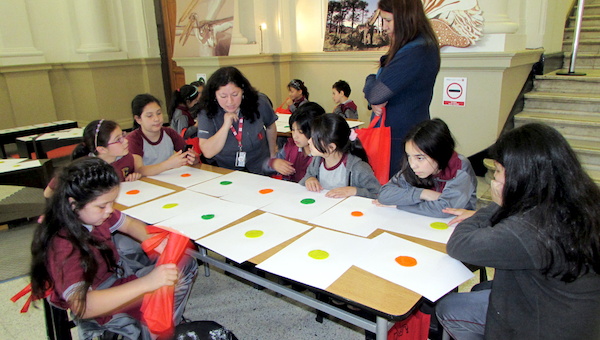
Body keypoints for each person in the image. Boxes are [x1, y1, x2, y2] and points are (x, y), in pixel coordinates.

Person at [435, 123, 600, 339]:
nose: (495, 179)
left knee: (449, 308)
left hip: (545, 325)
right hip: (578, 315)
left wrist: (499, 205)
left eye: (499, 172)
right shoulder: (580, 199)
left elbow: (460, 245)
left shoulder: (528, 228)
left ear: (521, 176)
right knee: (480, 289)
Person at [30, 157, 198, 339]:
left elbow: (129, 224)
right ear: (73, 204)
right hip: (97, 307)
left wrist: (154, 241)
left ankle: (161, 325)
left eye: (112, 203)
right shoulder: (63, 244)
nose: (110, 210)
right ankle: (155, 330)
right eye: (103, 205)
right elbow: (83, 306)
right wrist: (147, 283)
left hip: (114, 280)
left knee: (183, 263)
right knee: (165, 280)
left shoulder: (94, 214)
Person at [362, 0, 440, 178]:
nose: (385, 27)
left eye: (388, 20)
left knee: (397, 190)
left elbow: (376, 94)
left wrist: (370, 79)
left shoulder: (417, 50)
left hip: (400, 136)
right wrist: (375, 98)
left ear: (405, 17)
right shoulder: (416, 46)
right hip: (399, 133)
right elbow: (379, 95)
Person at [374, 118, 477, 217]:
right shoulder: (416, 167)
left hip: (454, 226)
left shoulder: (459, 169)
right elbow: (384, 194)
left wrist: (398, 205)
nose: (413, 165)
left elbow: (443, 210)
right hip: (419, 221)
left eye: (420, 158)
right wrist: (423, 193)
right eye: (409, 156)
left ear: (438, 153)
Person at [197, 66, 277, 174]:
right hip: (226, 170)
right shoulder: (207, 111)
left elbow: (270, 126)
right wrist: (225, 126)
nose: (230, 101)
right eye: (223, 96)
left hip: (260, 166)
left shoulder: (259, 102)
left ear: (243, 90)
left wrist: (272, 155)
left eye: (235, 95)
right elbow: (207, 152)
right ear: (214, 95)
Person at [43, 119, 141, 199]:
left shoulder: (125, 158)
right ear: (102, 149)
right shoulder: (82, 168)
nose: (126, 141)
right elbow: (48, 193)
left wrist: (133, 176)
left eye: (123, 135)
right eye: (118, 139)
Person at [299, 114, 380, 199]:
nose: (309, 141)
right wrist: (309, 179)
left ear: (331, 147)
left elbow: (377, 194)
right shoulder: (317, 161)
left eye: (314, 139)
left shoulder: (358, 167)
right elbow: (308, 175)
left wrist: (354, 191)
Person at [127, 93, 199, 176]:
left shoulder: (169, 133)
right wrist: (168, 164)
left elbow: (191, 156)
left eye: (159, 113)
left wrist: (193, 158)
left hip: (169, 178)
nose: (156, 119)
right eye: (150, 116)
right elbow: (139, 170)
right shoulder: (134, 139)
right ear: (138, 119)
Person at [264, 102, 326, 182]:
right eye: (293, 130)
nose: (295, 136)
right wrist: (273, 163)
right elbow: (264, 166)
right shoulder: (290, 146)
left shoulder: (324, 154)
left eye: (300, 132)